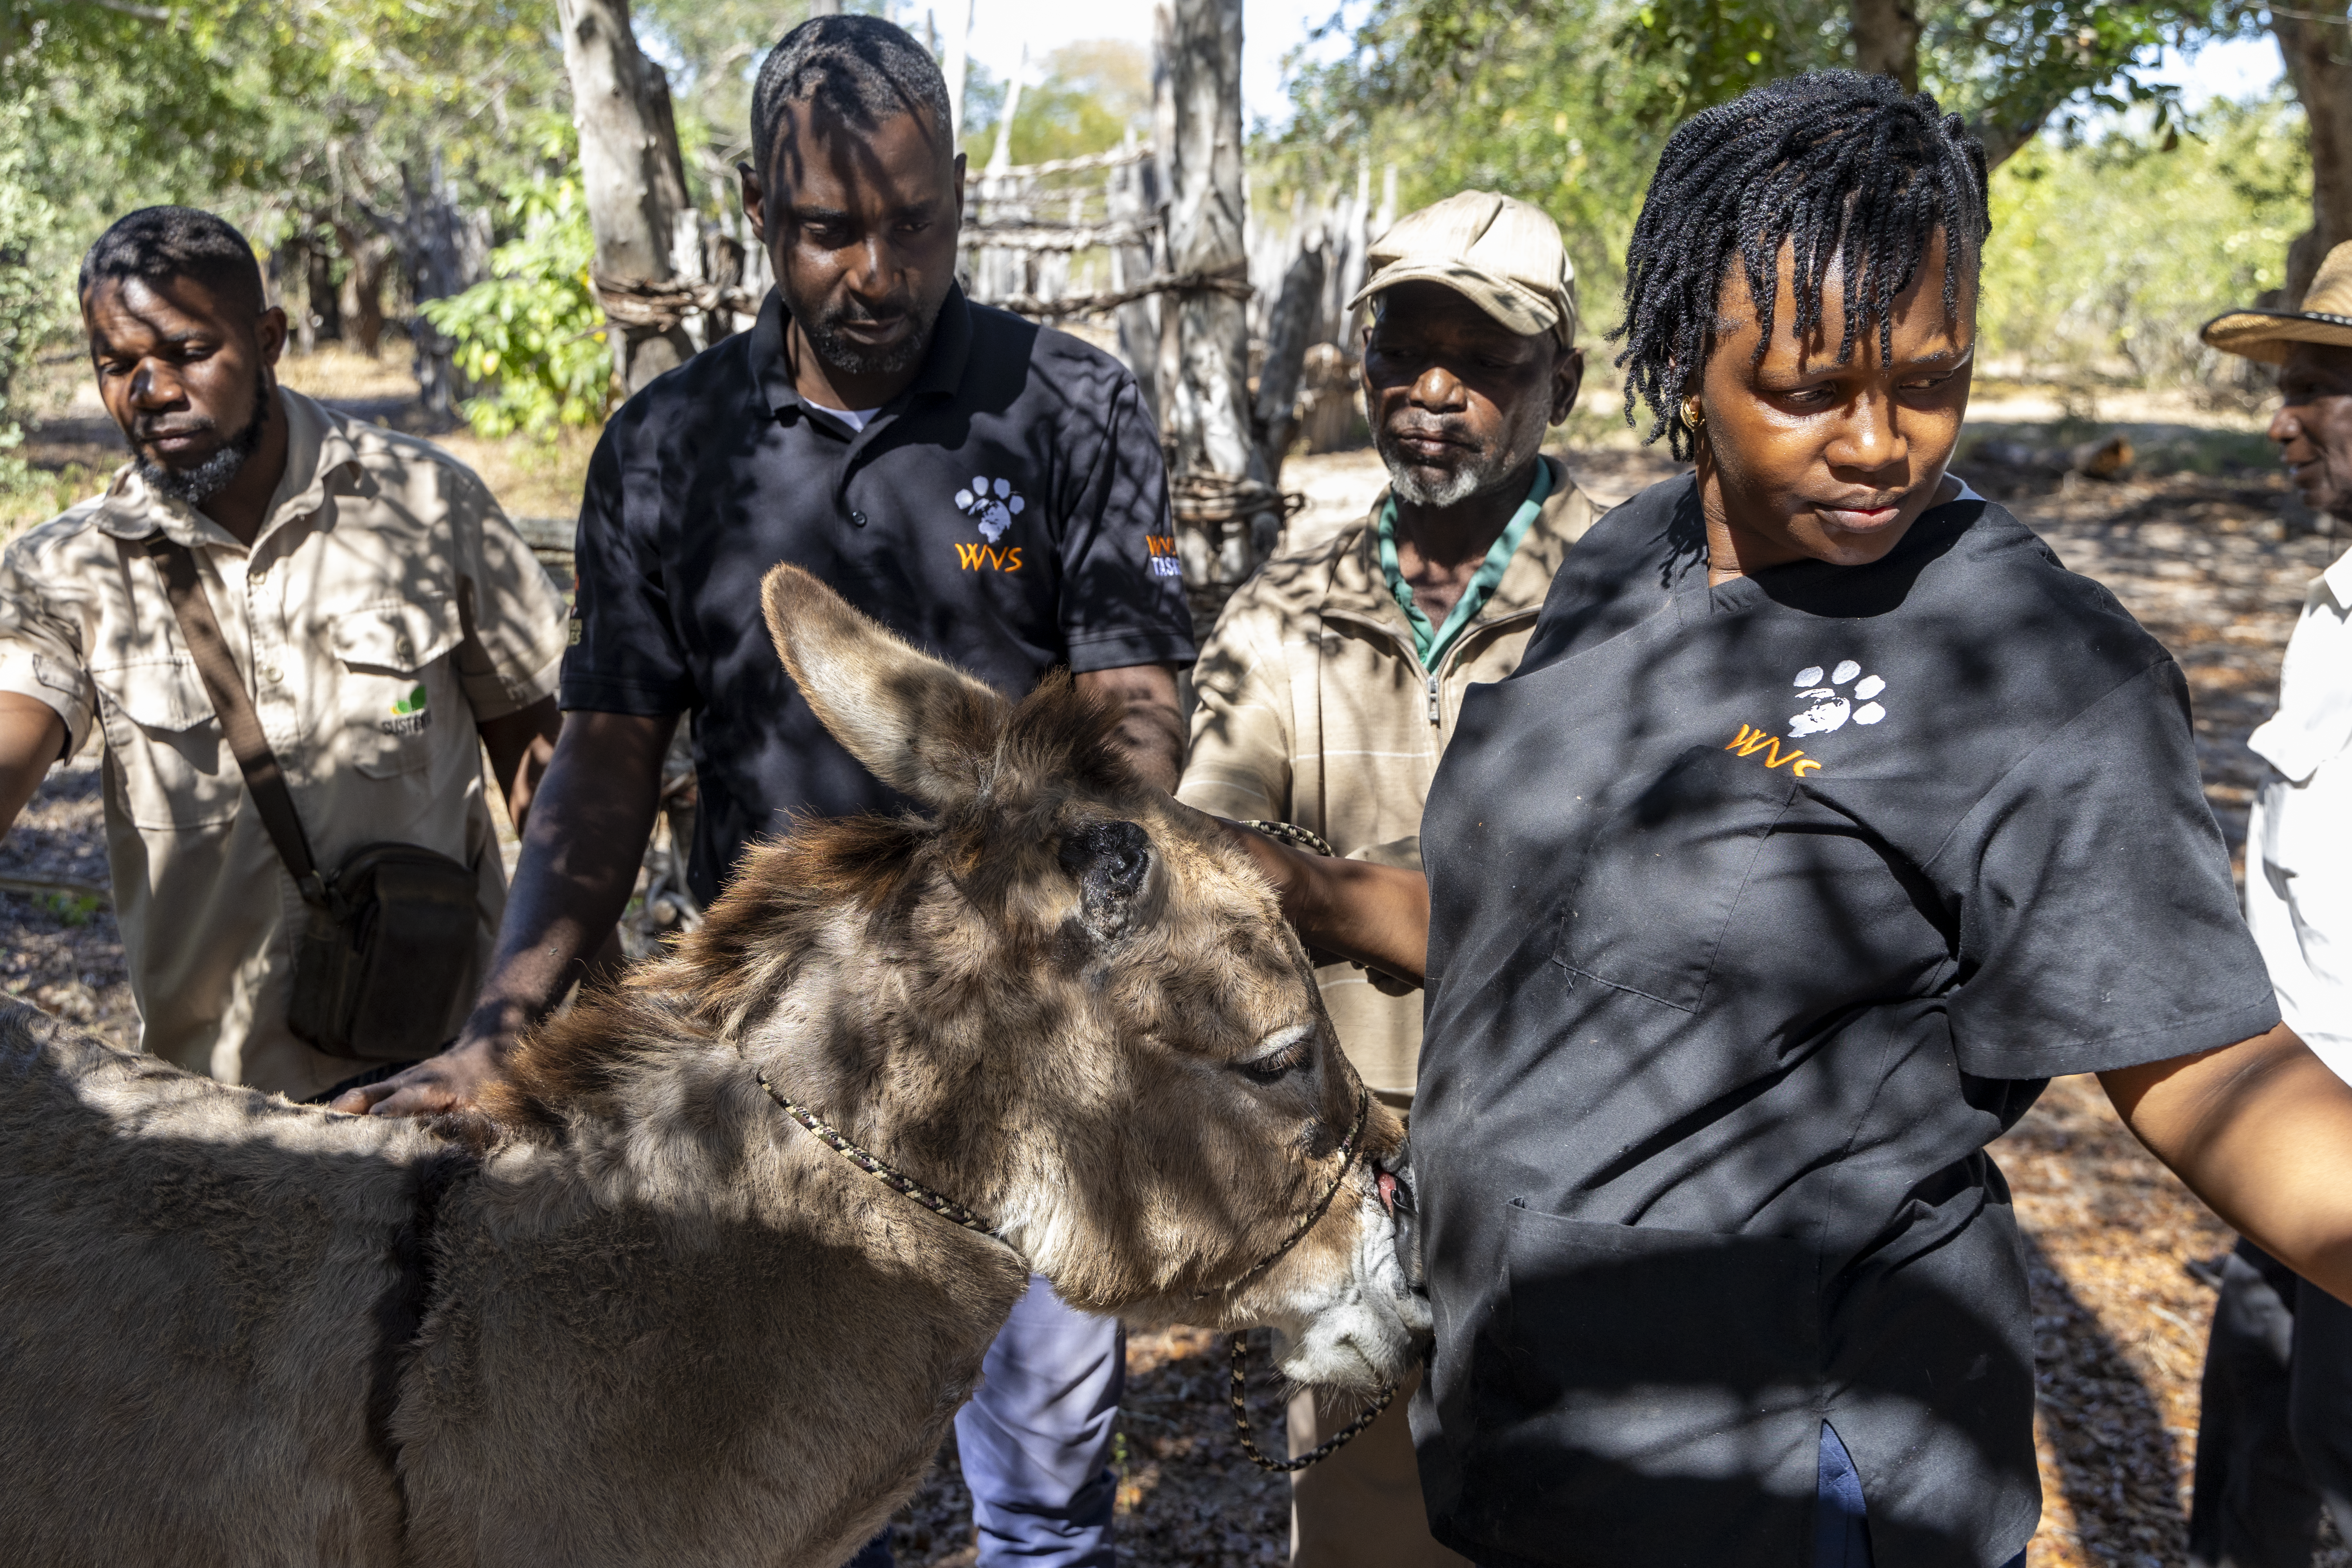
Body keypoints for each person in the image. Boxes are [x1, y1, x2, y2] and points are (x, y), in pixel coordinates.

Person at [1200, 72, 2352, 1568]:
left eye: (1930, 381)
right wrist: (1284, 885)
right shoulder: (1631, 562)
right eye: (1808, 389)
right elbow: (1550, 927)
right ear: (1685, 360)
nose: (1878, 443)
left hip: (1788, 1472)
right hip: (1537, 1415)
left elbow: (2217, 1080)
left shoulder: (2029, 673)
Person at [333, 18, 1195, 1568]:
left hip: (1030, 1054)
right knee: (766, 1497)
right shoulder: (672, 447)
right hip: (777, 1078)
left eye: (918, 223)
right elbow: (605, 755)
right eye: (830, 230)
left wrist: (1097, 911)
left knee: (1046, 1506)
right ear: (754, 211)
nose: (879, 270)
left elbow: (1133, 698)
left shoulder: (1074, 407)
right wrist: (507, 1021)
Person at [1176, 189, 1593, 1568]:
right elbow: (1211, 876)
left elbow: (1626, 910)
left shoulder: (1630, 606)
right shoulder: (1284, 609)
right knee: (1364, 1520)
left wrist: (1319, 889)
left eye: (1484, 362)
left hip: (1585, 1162)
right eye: (1403, 350)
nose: (1433, 391)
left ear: (1563, 384)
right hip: (1353, 1163)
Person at [0, 207, 565, 1102]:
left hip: (443, 1078)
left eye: (187, 353)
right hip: (222, 1110)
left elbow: (546, 772)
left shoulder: (429, 506)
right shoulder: (66, 569)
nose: (149, 390)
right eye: (117, 366)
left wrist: (570, 1024)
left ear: (269, 338)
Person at [2180, 245, 2352, 1568]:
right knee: (2251, 1503)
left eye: (2322, 389)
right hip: (2288, 1185)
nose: (2281, 421)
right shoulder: (2332, 610)